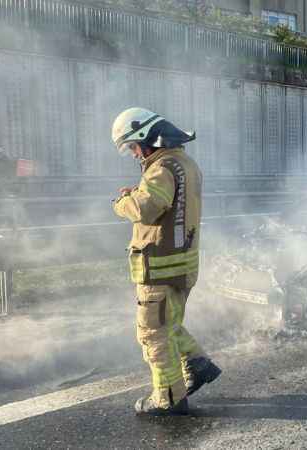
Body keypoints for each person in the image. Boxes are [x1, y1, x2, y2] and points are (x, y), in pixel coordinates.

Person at [111, 107, 221, 416]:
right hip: (181, 265)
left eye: (132, 147)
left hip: (160, 268)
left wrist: (122, 203)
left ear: (146, 138)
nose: (133, 155)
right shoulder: (184, 164)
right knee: (169, 326)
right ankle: (199, 365)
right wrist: (140, 191)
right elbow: (168, 204)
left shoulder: (161, 168)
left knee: (152, 334)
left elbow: (146, 208)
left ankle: (169, 398)